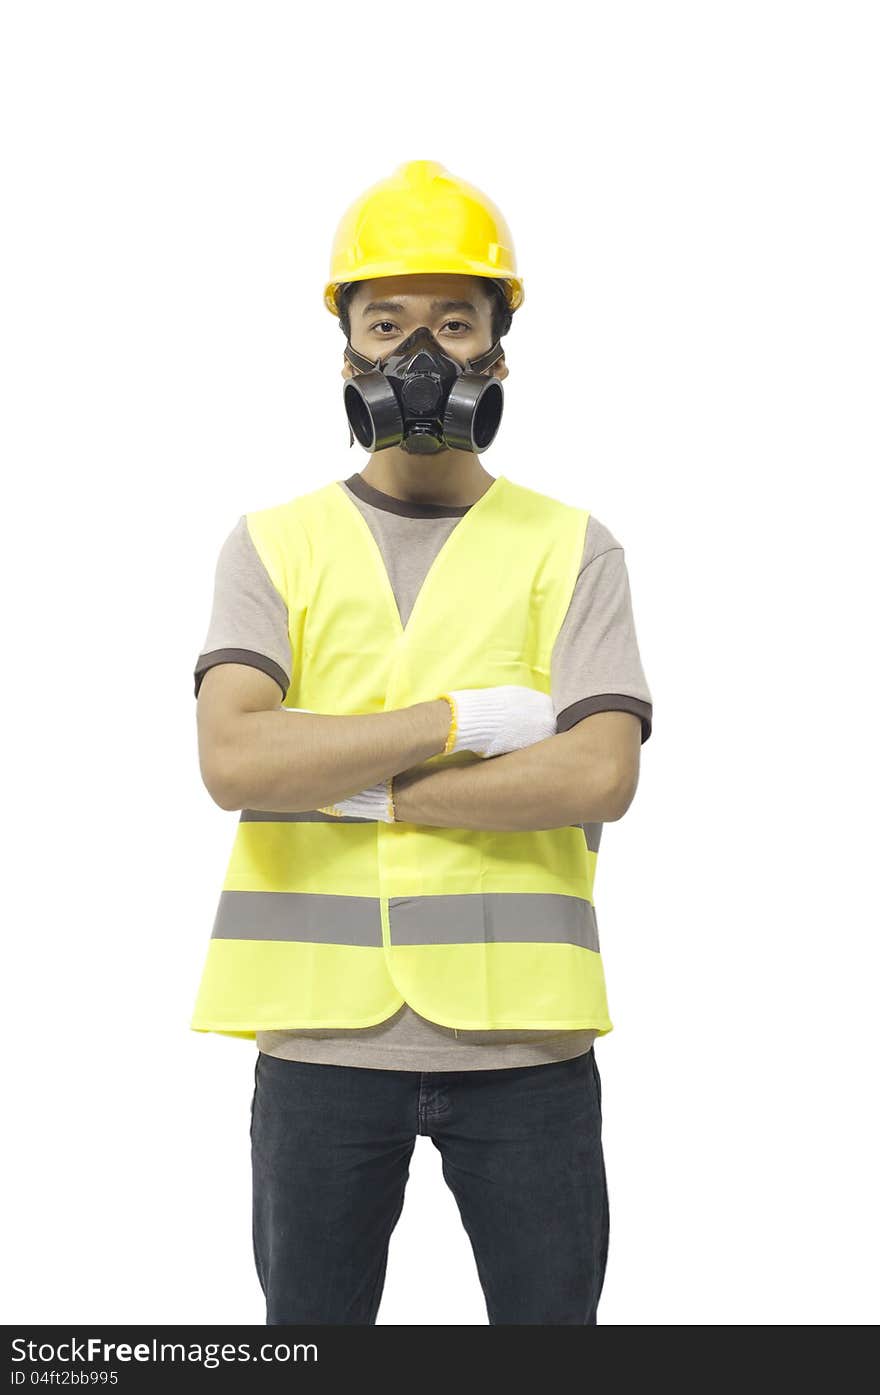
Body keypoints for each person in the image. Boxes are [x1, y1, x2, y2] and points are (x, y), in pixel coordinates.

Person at [191, 160, 653, 1325]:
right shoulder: (271, 544)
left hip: (525, 1056)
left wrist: (358, 789)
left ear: (499, 347)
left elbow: (599, 773)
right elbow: (235, 763)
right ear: (343, 345)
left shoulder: (572, 546)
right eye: (385, 321)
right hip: (319, 1052)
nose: (419, 355)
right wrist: (458, 728)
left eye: (454, 322)